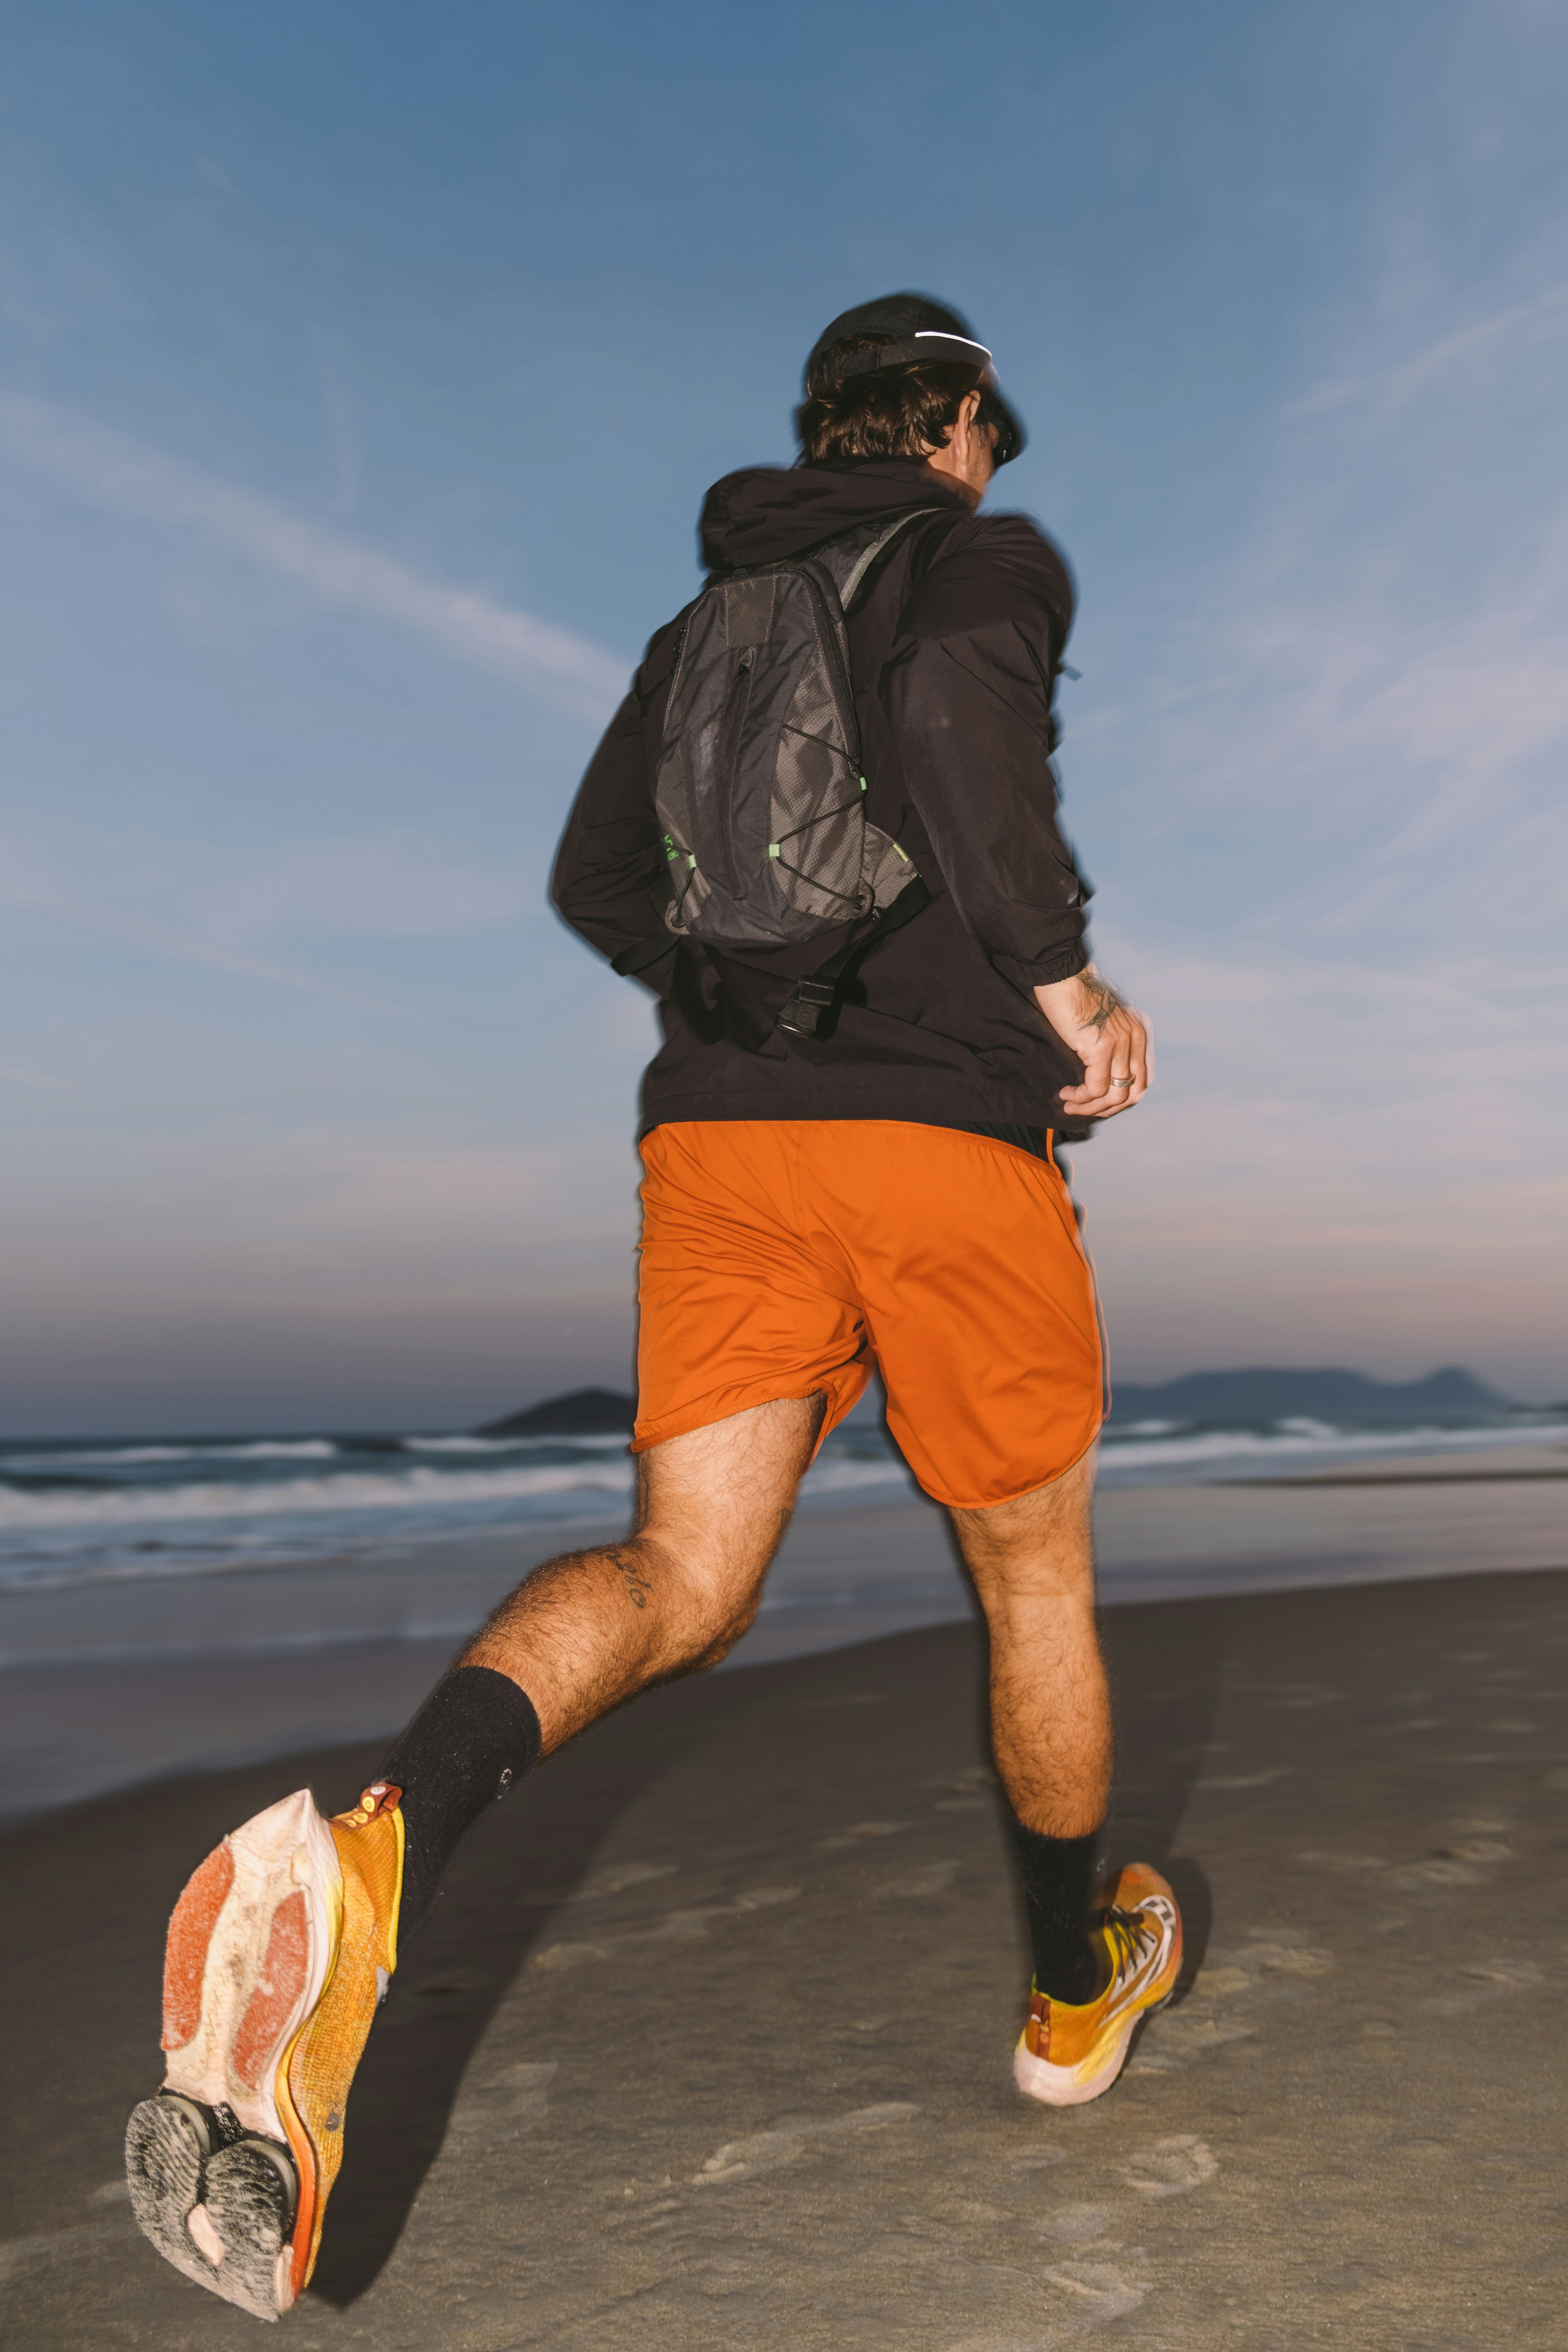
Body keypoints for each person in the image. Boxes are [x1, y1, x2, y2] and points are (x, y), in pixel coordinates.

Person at [125, 293, 1180, 2321]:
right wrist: (1060, 993)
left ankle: (380, 1847)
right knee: (1031, 1570)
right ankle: (1073, 1996)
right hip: (941, 1150)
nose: (995, 463)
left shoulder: (705, 625)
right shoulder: (979, 556)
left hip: (719, 1147)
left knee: (681, 1576)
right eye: (993, 432)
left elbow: (602, 880)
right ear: (955, 416)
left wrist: (755, 1008)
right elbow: (962, 733)